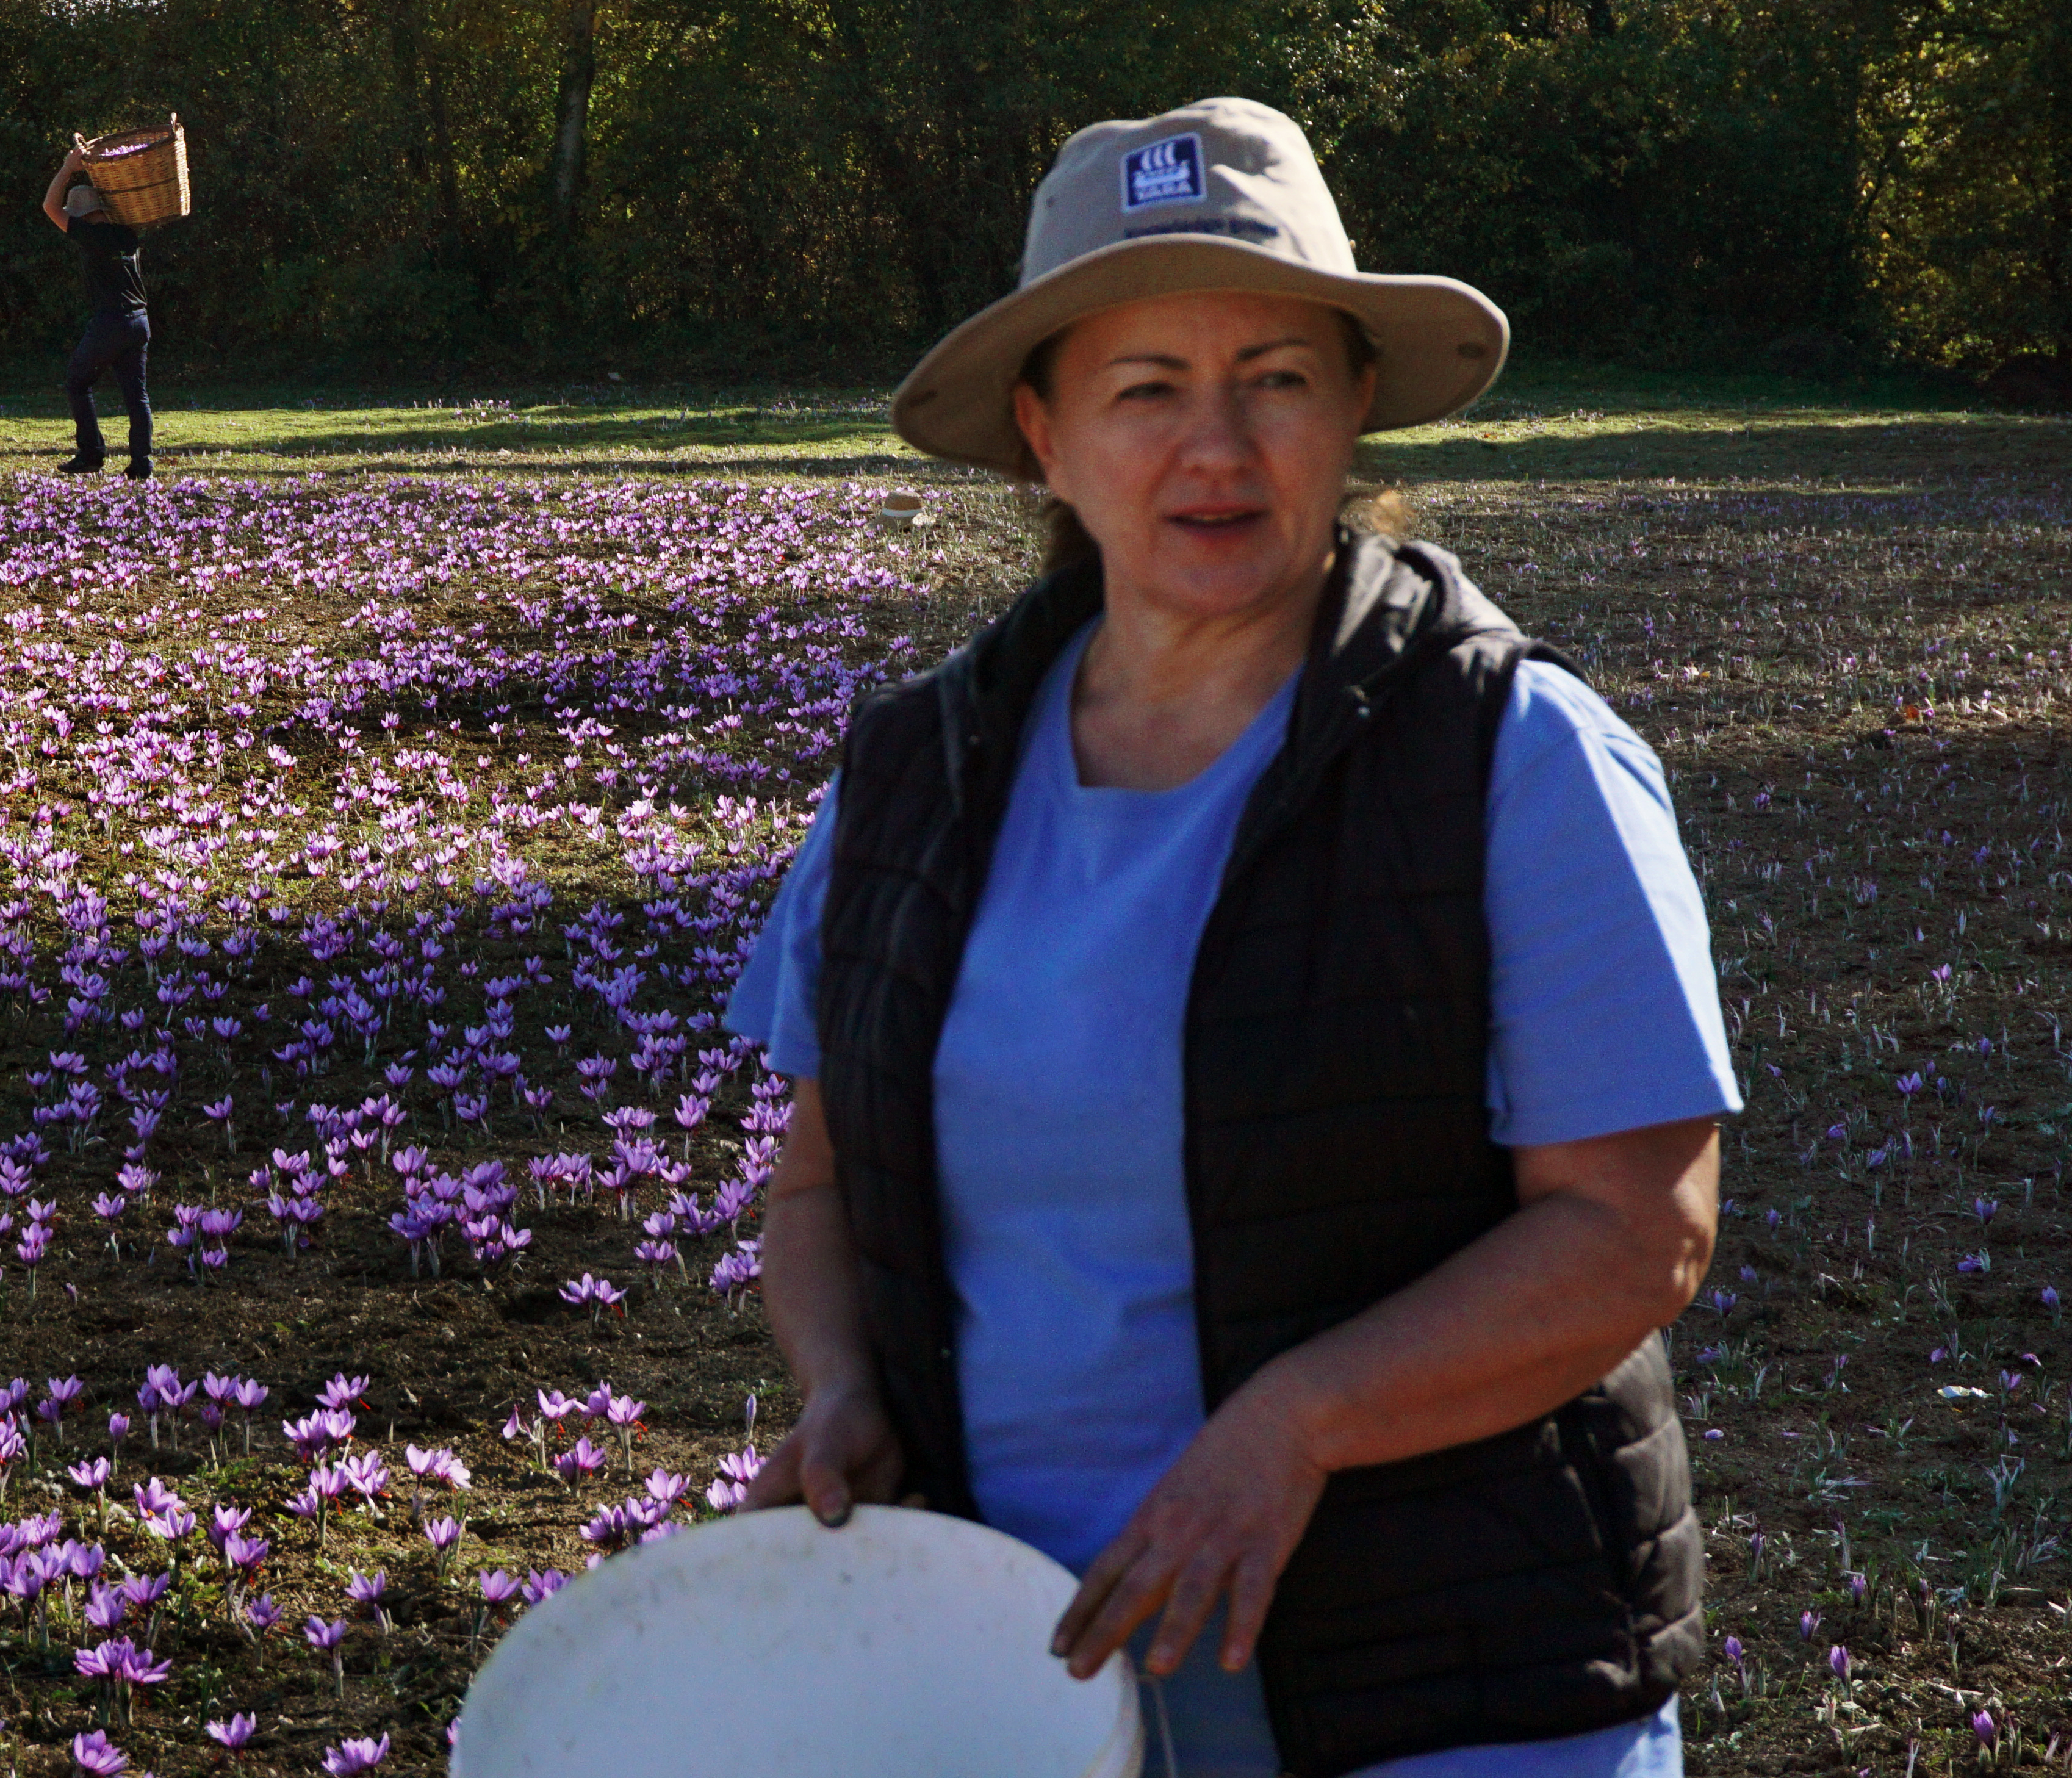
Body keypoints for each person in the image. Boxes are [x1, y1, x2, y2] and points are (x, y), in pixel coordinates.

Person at [727, 99, 1735, 1778]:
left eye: (1275, 377)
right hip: (1016, 1680)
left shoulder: (1511, 753)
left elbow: (1639, 1235)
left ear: (1352, 412)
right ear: (1043, 436)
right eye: (1146, 390)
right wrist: (842, 1385)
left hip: (1444, 1692)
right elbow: (823, 1181)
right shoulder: (919, 771)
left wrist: (1300, 1422)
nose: (1219, 445)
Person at [44, 148, 151, 480]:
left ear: (84, 214)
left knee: (77, 382)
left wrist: (67, 167)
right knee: (137, 395)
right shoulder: (128, 235)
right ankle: (142, 464)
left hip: (111, 322)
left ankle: (91, 454)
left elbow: (49, 207)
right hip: (140, 320)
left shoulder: (91, 237)